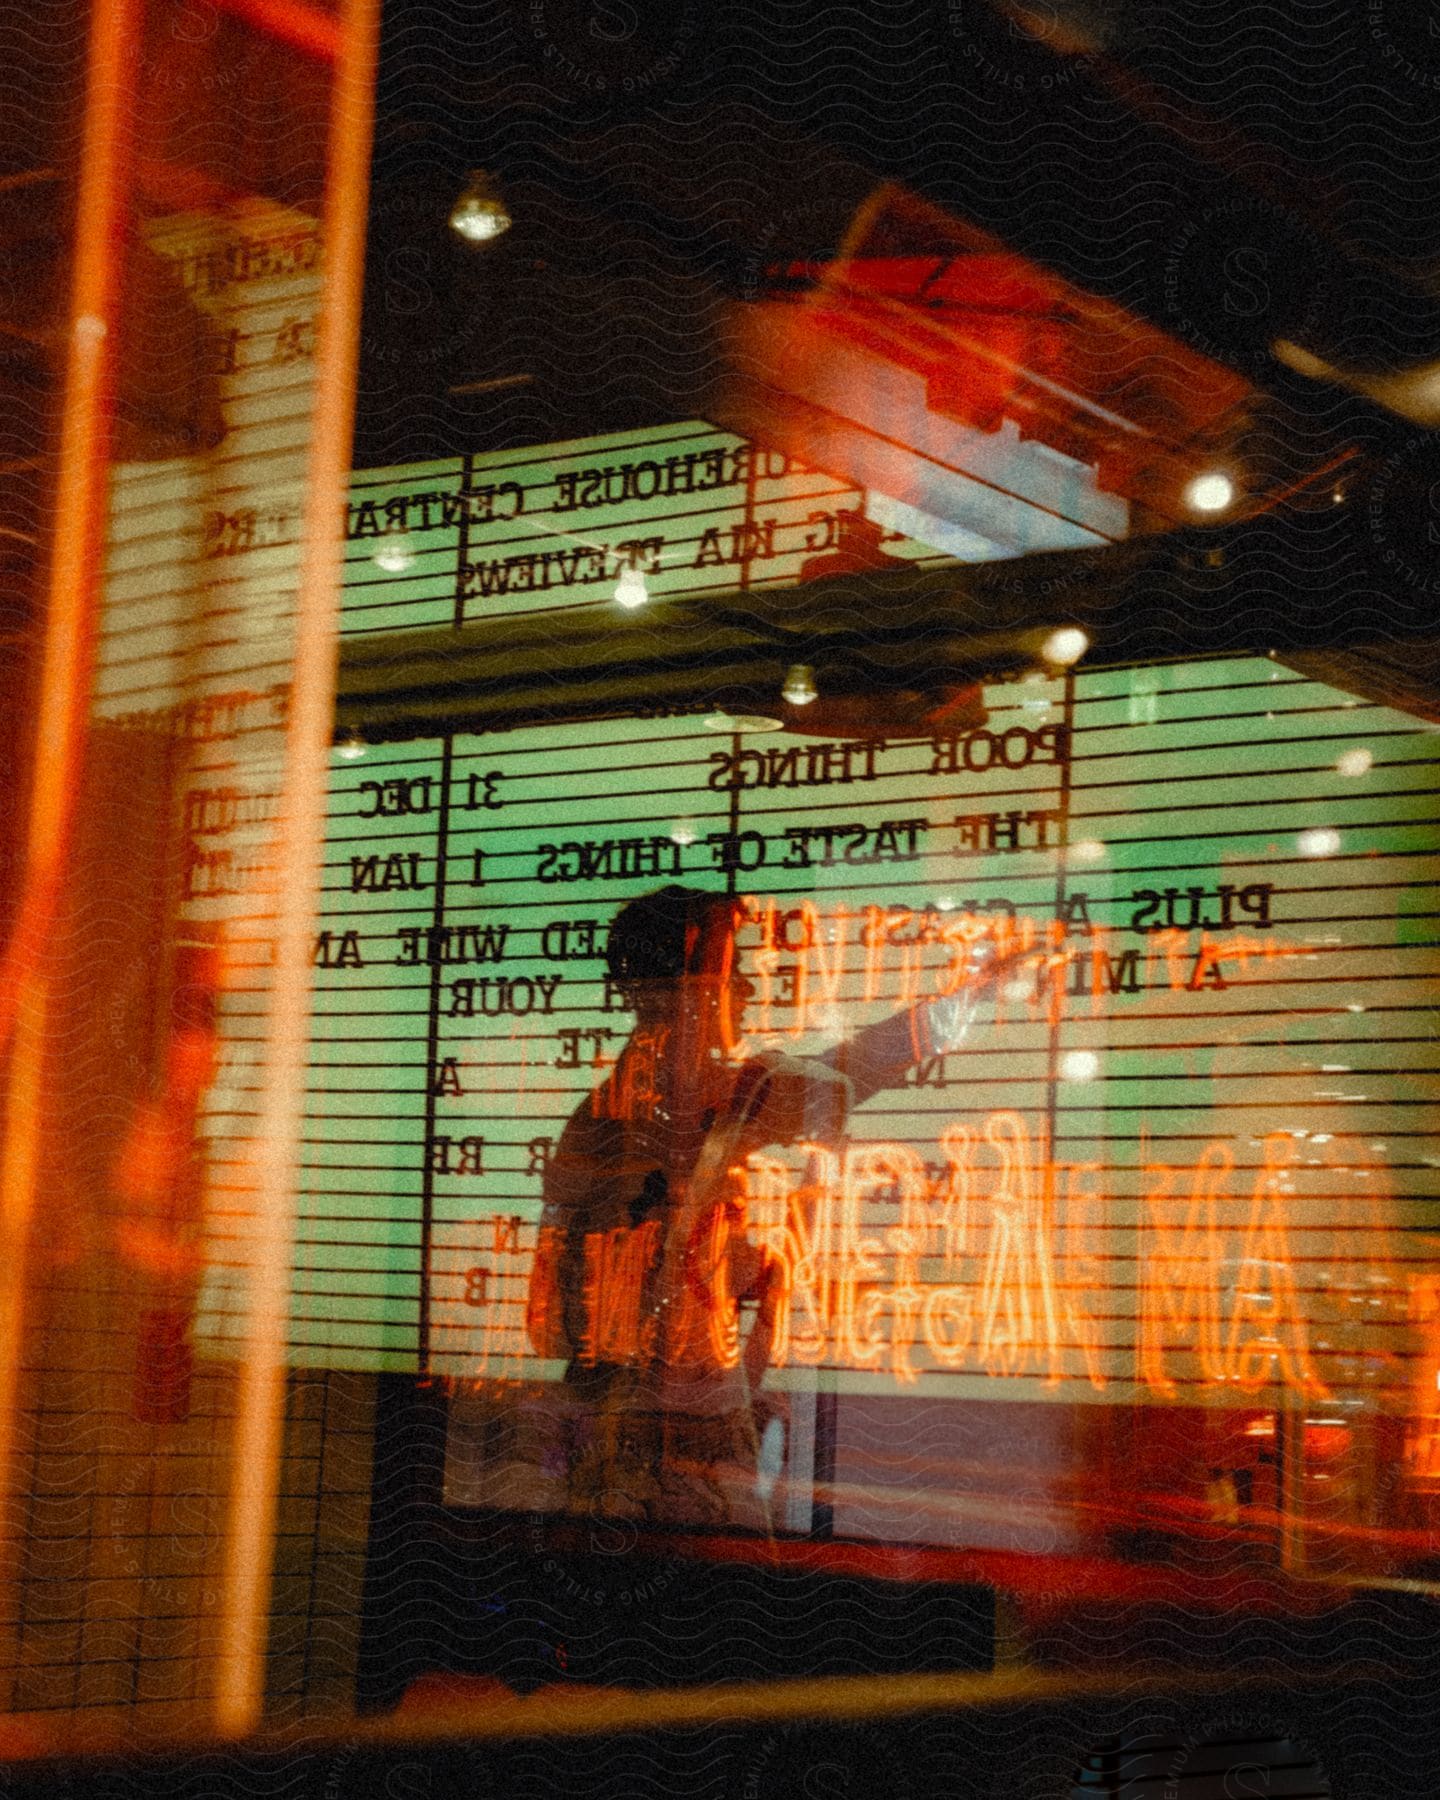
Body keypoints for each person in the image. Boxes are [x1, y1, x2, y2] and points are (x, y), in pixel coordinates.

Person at [525, 884, 1006, 1527]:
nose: (750, 989)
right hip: (655, 1462)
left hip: (659, 1444)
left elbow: (564, 1321)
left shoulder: (637, 1113)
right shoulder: (669, 1115)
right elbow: (858, 1068)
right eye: (732, 972)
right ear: (678, 992)